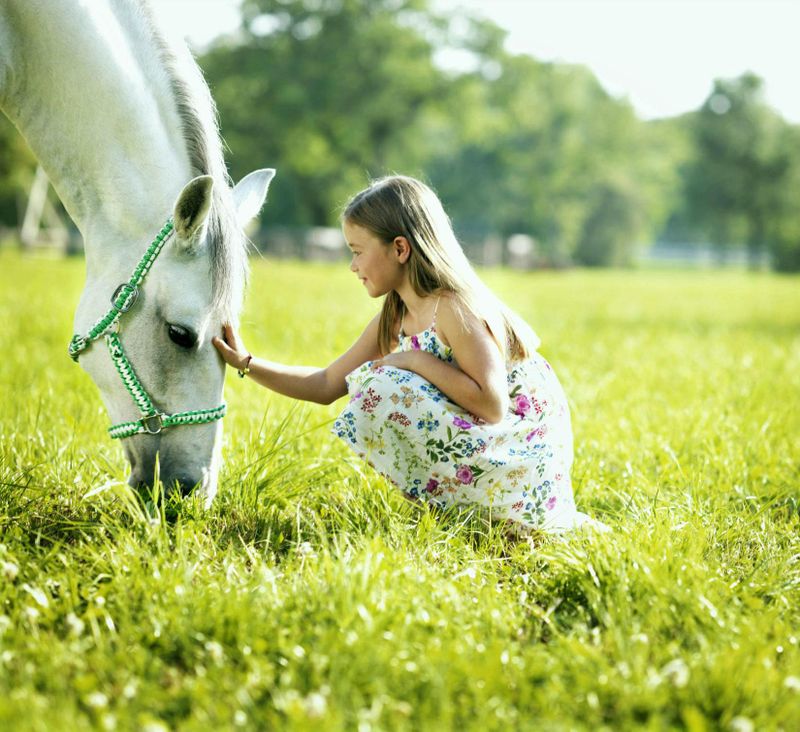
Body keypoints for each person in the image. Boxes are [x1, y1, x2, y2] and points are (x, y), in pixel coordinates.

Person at [213, 175, 606, 536]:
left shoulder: (453, 308)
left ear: (399, 248)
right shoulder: (396, 315)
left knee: (382, 386)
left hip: (521, 446)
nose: (352, 266)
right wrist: (246, 362)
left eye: (358, 251)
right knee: (375, 383)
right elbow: (327, 384)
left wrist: (417, 362)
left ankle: (497, 515)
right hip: (483, 440)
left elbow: (492, 405)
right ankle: (461, 511)